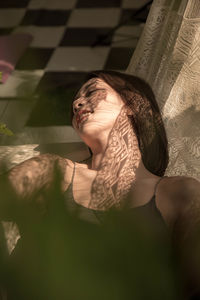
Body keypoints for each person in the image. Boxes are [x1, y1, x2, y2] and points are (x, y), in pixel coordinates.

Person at [0, 70, 200, 298]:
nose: (77, 103)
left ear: (134, 104)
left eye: (92, 91)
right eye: (74, 102)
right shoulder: (50, 170)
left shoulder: (180, 192)